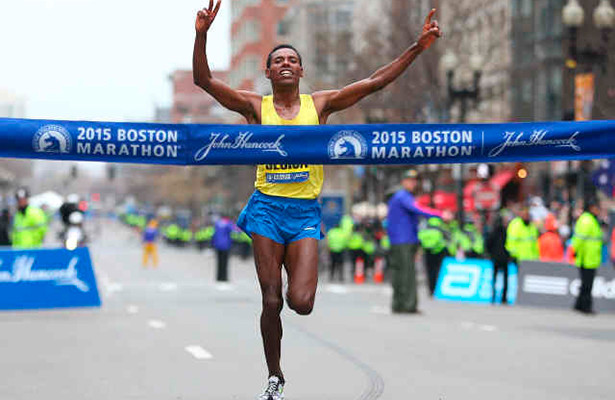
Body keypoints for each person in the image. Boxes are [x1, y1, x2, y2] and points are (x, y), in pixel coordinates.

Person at [193, 1, 442, 397]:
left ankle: (291, 296)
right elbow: (204, 80)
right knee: (271, 300)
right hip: (266, 208)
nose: (286, 64)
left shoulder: (320, 105)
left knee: (302, 302)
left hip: (305, 212)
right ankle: (275, 375)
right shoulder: (255, 106)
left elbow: (375, 82)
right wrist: (202, 35)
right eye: (278, 61)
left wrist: (417, 46)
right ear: (268, 72)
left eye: (292, 60)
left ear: (302, 71)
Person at [386, 169, 442, 313]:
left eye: (414, 181)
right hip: (404, 240)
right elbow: (418, 209)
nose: (413, 184)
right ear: (403, 182)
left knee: (399, 273)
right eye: (410, 181)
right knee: (407, 273)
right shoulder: (403, 196)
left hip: (398, 240)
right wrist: (439, 214)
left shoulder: (398, 196)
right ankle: (409, 305)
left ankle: (398, 304)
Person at [571, 199, 603, 314]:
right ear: (591, 208)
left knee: (585, 283)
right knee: (587, 284)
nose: (598, 210)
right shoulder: (587, 220)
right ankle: (585, 307)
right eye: (596, 208)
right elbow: (580, 238)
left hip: (590, 257)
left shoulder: (590, 219)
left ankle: (579, 305)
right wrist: (576, 251)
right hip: (586, 258)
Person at [418, 210, 453, 296]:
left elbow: (420, 239)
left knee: (430, 271)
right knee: (439, 270)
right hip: (439, 251)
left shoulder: (425, 227)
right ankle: (439, 289)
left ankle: (431, 290)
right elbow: (449, 239)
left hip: (428, 251)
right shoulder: (441, 227)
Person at [486, 209, 511, 304]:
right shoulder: (506, 232)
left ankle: (493, 297)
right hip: (504, 258)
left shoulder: (493, 232)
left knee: (495, 278)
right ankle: (504, 298)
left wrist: (491, 254)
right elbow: (509, 245)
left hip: (495, 258)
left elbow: (488, 244)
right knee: (505, 279)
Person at [212, 214, 234, 281]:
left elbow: (214, 233)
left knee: (219, 262)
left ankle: (218, 277)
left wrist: (213, 243)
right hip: (225, 245)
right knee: (225, 262)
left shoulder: (217, 223)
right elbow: (234, 231)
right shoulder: (228, 223)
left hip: (218, 244)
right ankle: (224, 277)